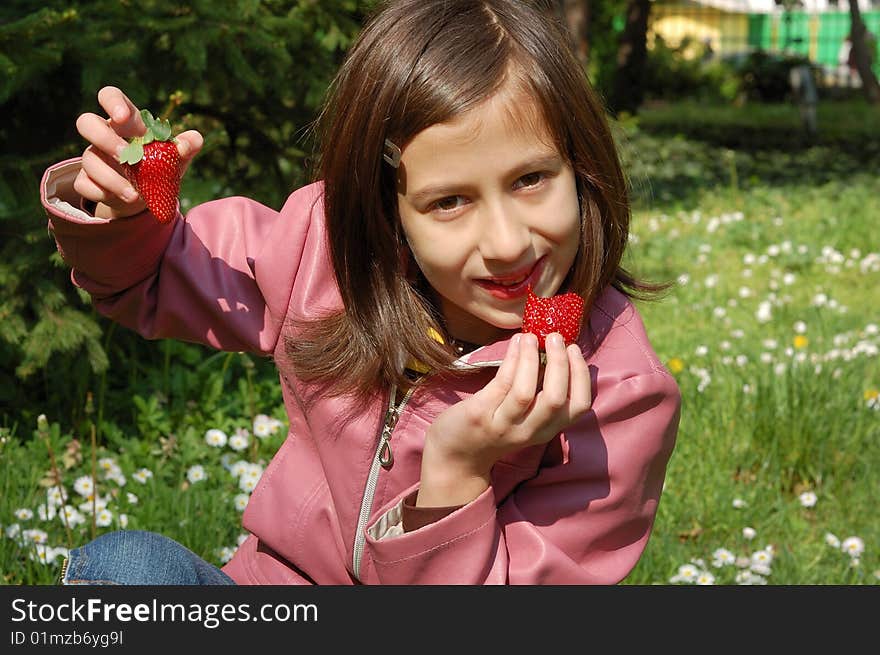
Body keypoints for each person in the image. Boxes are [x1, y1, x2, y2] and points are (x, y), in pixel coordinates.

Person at [40, 0, 680, 585]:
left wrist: (457, 474)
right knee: (125, 569)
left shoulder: (617, 397)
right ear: (384, 207)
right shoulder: (323, 258)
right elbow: (147, 279)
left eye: (532, 178)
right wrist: (124, 221)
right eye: (450, 201)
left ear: (581, 164)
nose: (508, 242)